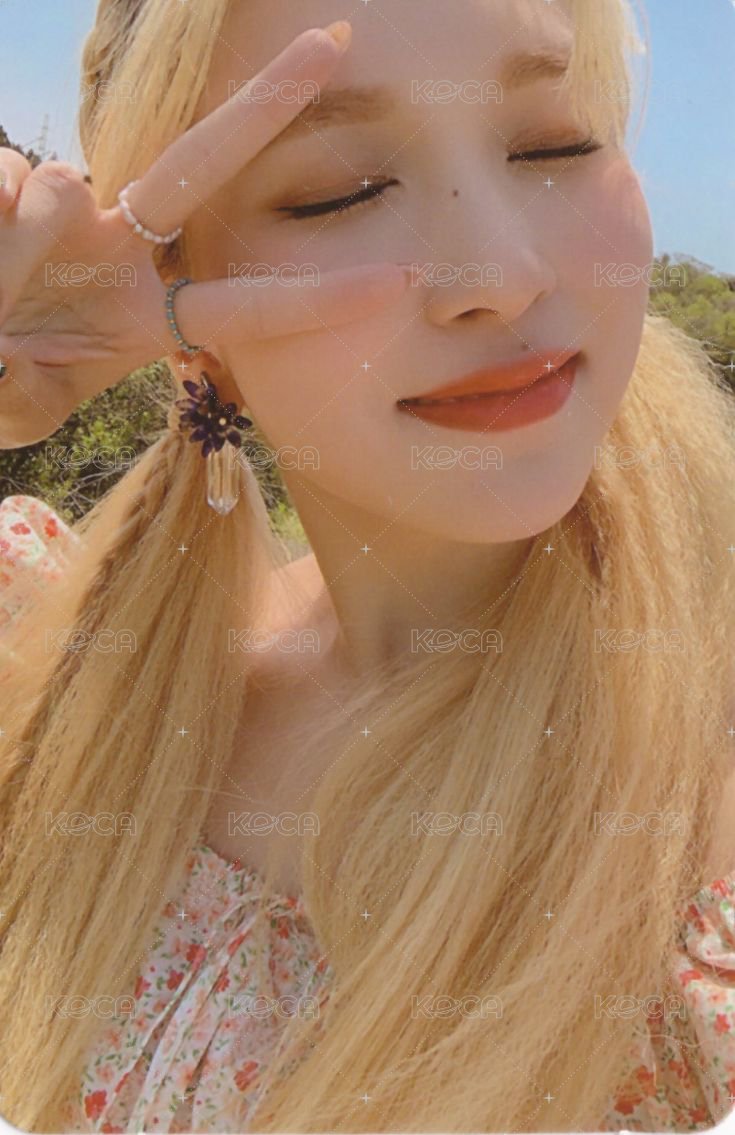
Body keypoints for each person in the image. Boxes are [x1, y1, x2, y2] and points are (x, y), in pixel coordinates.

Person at [0, 1, 734, 1131]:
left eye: (554, 142)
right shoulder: (50, 676)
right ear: (184, 307)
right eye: (338, 192)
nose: (500, 273)